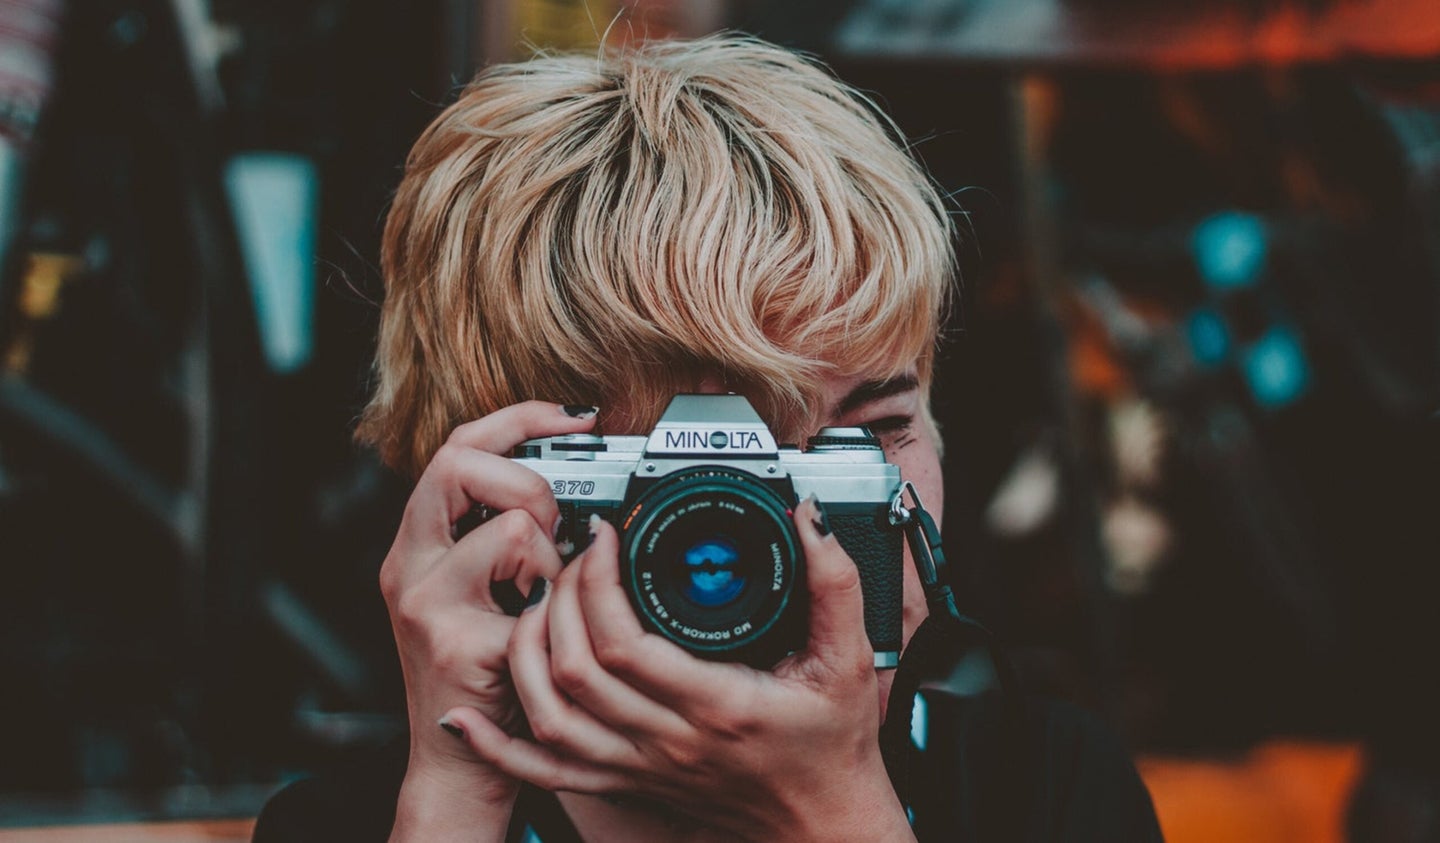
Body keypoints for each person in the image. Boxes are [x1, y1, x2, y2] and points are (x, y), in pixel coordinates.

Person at [254, 34, 1161, 842]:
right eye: (693, 486)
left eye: (871, 435)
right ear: (496, 500)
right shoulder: (355, 826)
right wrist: (457, 789)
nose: (785, 538)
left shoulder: (1042, 792)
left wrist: (834, 809)